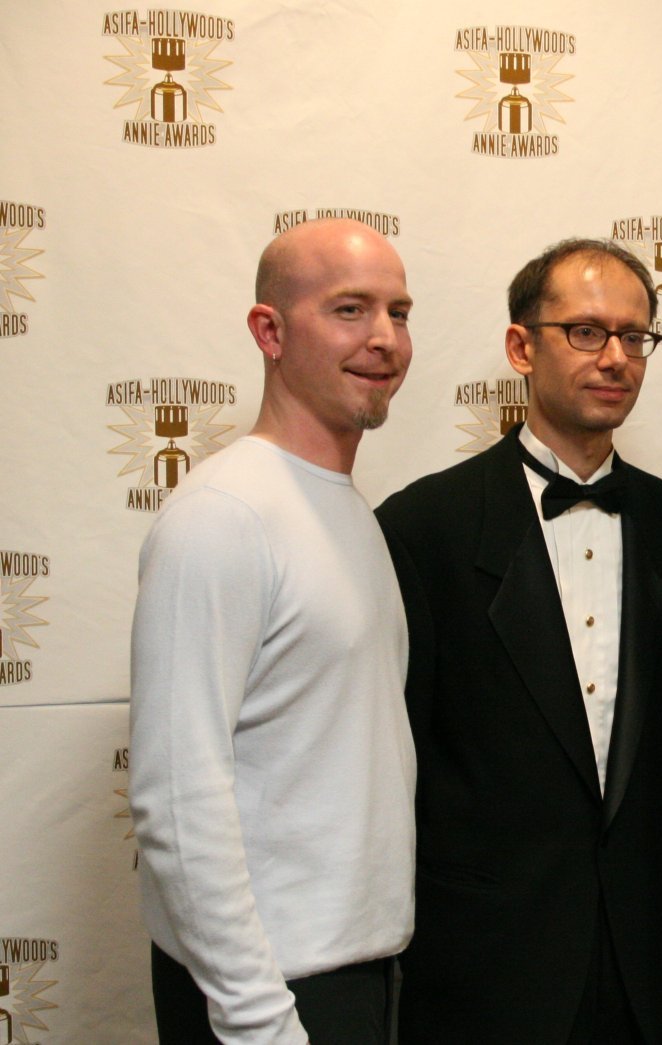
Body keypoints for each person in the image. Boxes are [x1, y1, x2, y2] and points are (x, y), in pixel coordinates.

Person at [377, 238, 662, 1042]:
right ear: (521, 346)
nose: (616, 357)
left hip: (643, 966)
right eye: (587, 331)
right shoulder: (423, 528)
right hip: (484, 967)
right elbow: (398, 764)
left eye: (635, 337)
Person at [129, 217, 417, 1043]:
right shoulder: (221, 517)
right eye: (350, 310)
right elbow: (177, 794)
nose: (385, 339)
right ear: (270, 330)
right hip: (265, 1000)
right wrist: (258, 1017)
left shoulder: (346, 510)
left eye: (399, 312)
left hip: (349, 976)